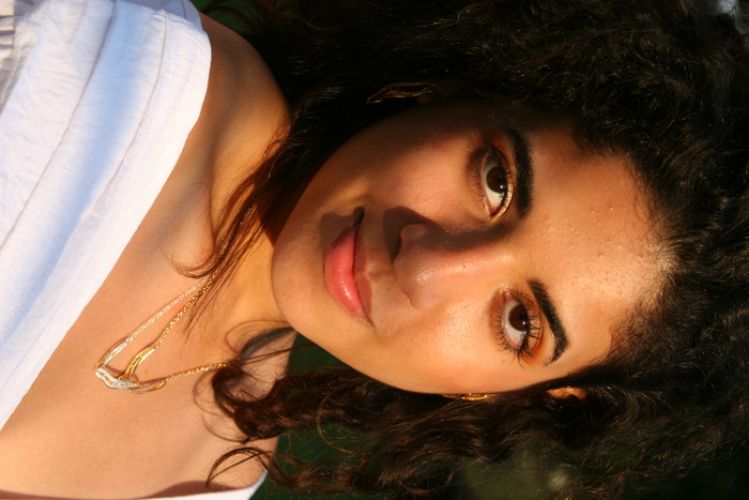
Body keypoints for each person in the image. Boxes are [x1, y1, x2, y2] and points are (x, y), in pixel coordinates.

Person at [0, 0, 747, 497]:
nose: (426, 266)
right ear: (457, 92)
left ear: (510, 393)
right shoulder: (76, 62)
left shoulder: (210, 480)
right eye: (496, 180)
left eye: (519, 321)